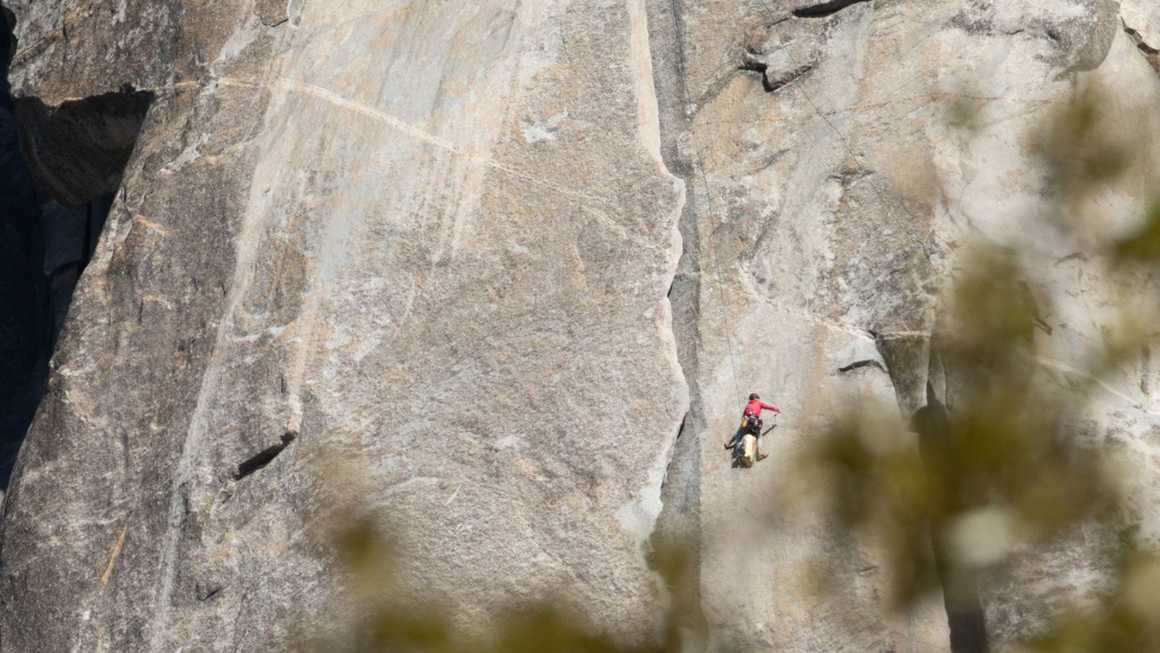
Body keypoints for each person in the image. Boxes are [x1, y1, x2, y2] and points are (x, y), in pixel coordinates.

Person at [725, 393, 781, 460]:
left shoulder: (748, 405)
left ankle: (728, 444)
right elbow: (768, 407)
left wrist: (743, 424)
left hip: (746, 421)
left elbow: (743, 416)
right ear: (756, 399)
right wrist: (777, 409)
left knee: (738, 433)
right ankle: (760, 454)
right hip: (753, 423)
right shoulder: (759, 403)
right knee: (759, 436)